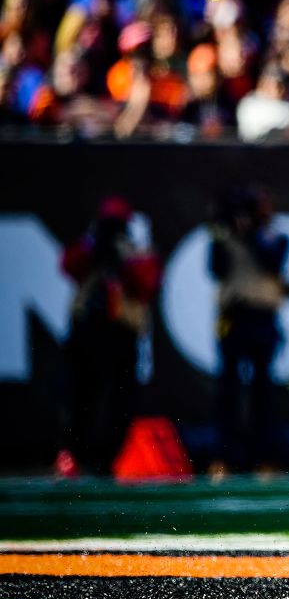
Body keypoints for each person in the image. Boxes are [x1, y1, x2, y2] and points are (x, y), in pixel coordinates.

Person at [59, 196, 161, 476]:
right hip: (88, 328)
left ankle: (106, 458)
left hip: (122, 330)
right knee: (81, 396)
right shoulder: (88, 247)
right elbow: (68, 266)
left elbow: (146, 283)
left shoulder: (136, 250)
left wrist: (123, 255)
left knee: (121, 399)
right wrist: (94, 245)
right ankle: (78, 455)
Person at [208, 184, 289, 475]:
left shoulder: (276, 236)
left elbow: (272, 260)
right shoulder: (225, 235)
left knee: (263, 391)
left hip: (262, 316)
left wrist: (252, 231)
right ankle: (225, 457)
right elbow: (215, 267)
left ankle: (264, 456)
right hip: (233, 316)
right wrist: (231, 229)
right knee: (228, 390)